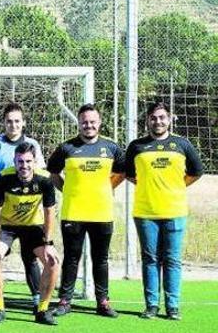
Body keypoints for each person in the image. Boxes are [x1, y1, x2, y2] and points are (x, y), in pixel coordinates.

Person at [125, 101, 203, 320]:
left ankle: (173, 306)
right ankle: (151, 306)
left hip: (175, 211)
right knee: (150, 259)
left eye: (161, 117)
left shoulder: (182, 144)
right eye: (153, 117)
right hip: (145, 213)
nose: (157, 121)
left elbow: (197, 171)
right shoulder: (136, 146)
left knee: (172, 260)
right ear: (147, 120)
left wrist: (176, 186)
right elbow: (130, 175)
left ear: (169, 119)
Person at [47, 104, 125, 318]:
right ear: (79, 123)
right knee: (72, 258)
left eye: (92, 122)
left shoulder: (112, 148)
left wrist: (106, 188)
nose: (88, 125)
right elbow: (53, 173)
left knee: (101, 259)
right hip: (74, 213)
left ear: (99, 123)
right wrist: (68, 190)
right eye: (84, 122)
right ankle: (64, 301)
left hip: (102, 213)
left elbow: (121, 172)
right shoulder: (66, 148)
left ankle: (103, 302)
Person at [0, 142, 61, 326]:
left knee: (53, 261)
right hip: (7, 226)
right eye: (20, 161)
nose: (24, 166)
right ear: (14, 161)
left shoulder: (44, 180)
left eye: (28, 161)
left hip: (33, 227)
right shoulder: (4, 178)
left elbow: (50, 212)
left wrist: (49, 243)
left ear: (35, 162)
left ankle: (43, 310)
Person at [0, 102, 46, 309]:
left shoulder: (33, 145)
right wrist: (1, 196)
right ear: (4, 123)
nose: (13, 125)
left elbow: (41, 177)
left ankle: (37, 299)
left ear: (23, 122)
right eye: (9, 121)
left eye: (17, 121)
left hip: (28, 216)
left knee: (30, 257)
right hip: (3, 215)